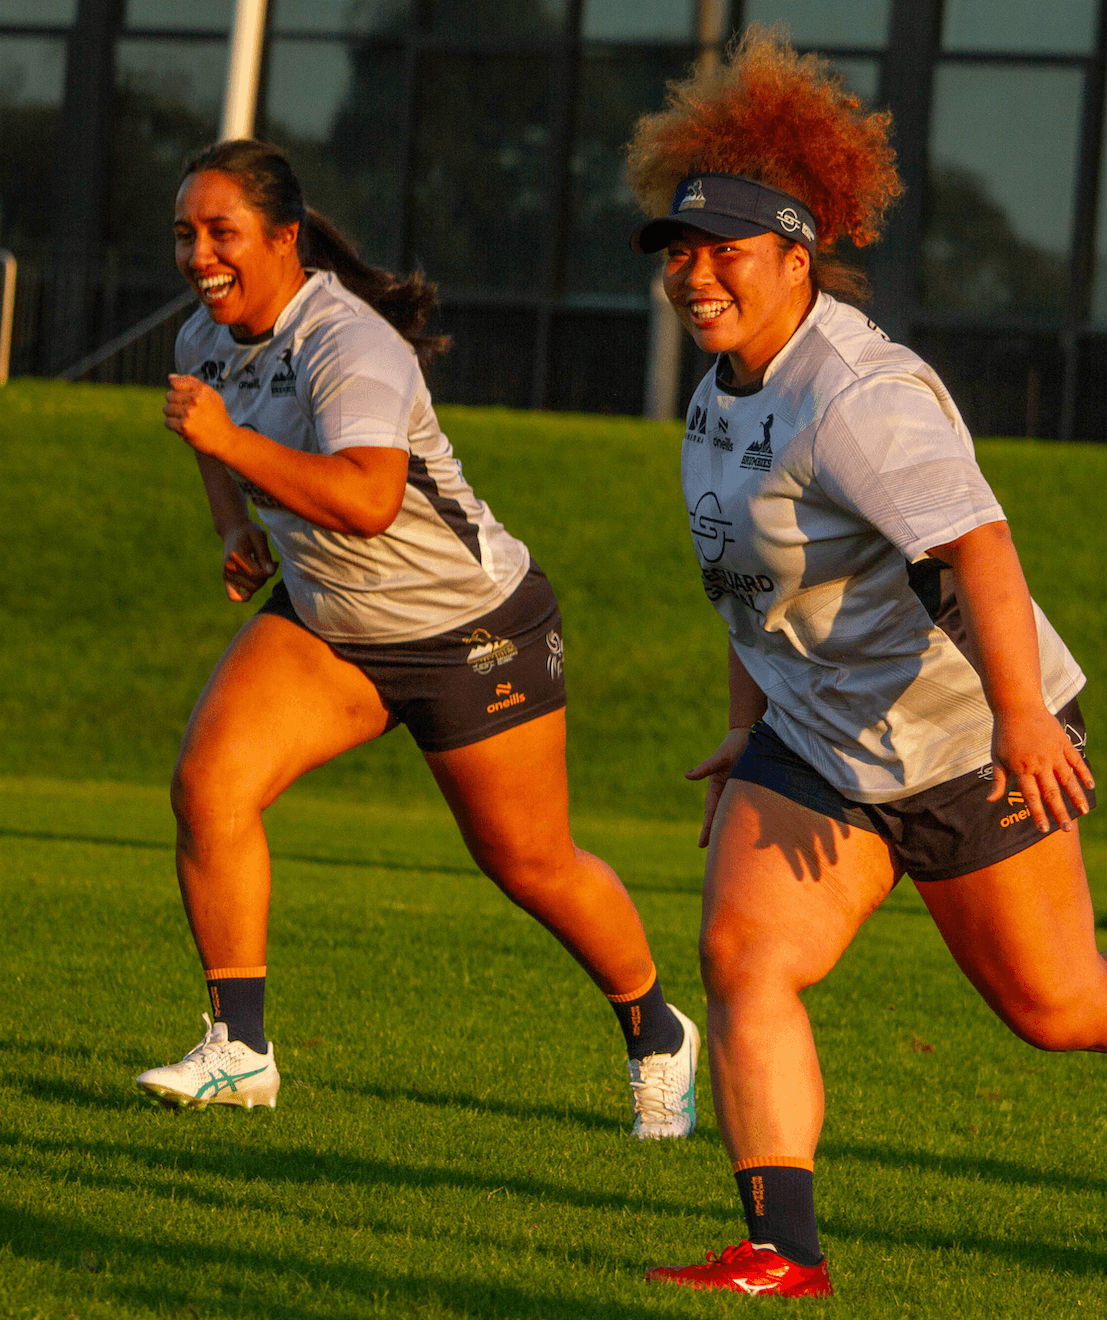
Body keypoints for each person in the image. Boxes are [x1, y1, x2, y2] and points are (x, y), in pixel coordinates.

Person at [625, 32, 1107, 1299]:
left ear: (796, 254)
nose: (696, 274)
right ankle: (784, 1250)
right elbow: (744, 580)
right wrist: (746, 722)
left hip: (964, 741)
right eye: (680, 251)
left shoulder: (858, 396)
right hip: (821, 744)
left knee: (1057, 1008)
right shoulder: (723, 392)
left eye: (725, 250)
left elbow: (979, 552)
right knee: (743, 955)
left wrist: (1022, 721)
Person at [133, 138, 698, 1141]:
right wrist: (232, 524)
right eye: (185, 233)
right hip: (330, 624)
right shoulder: (201, 340)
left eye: (220, 232)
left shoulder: (350, 344)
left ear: (284, 237)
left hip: (469, 630)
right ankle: (240, 1050)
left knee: (529, 864)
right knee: (208, 785)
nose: (198, 253)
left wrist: (228, 444)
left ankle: (657, 1034)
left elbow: (366, 497)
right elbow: (206, 428)